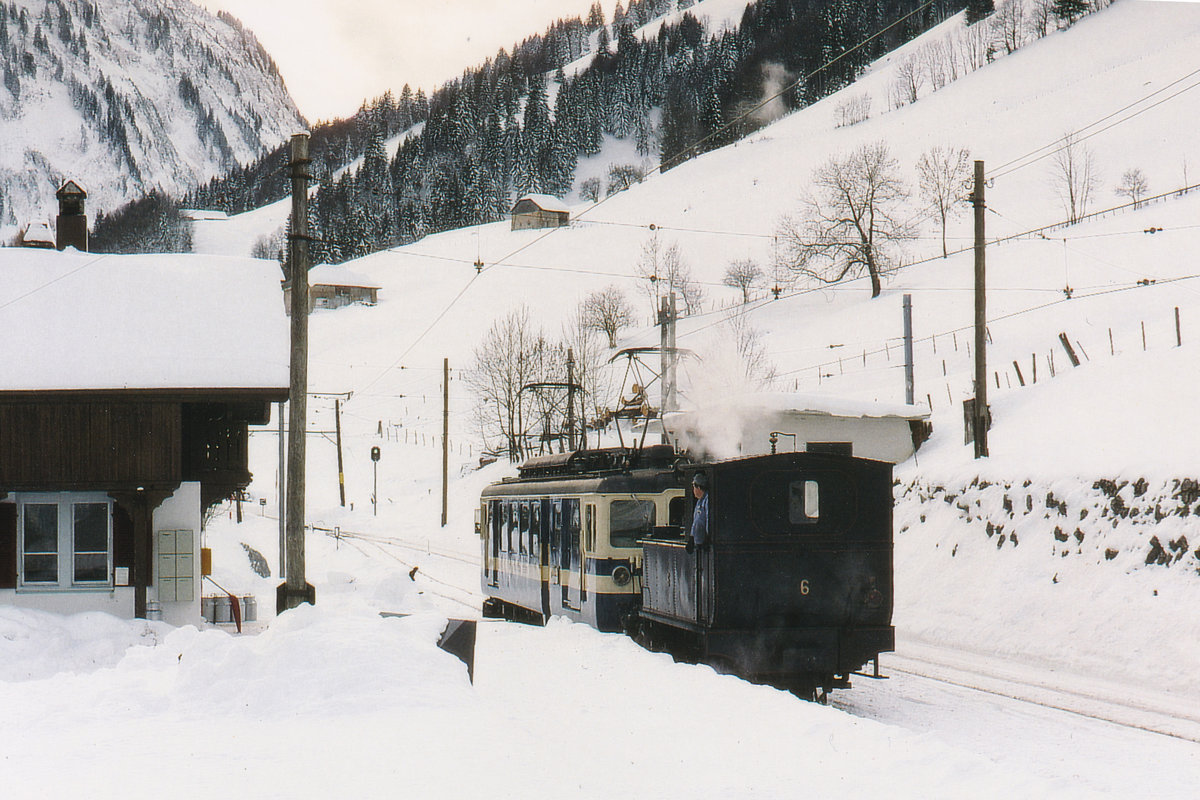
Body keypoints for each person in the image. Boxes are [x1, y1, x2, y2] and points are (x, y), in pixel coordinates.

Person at [689, 472, 709, 550]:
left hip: (704, 541)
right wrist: (691, 537)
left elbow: (708, 519)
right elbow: (696, 521)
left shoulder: (707, 500)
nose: (693, 490)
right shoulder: (699, 501)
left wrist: (707, 537)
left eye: (694, 487)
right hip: (698, 541)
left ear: (699, 488)